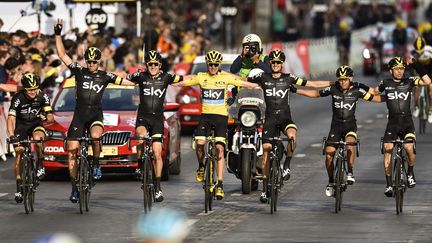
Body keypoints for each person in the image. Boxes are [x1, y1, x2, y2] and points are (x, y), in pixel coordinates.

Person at [54, 19, 128, 203]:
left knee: (95, 137)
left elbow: (127, 82)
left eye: (95, 61)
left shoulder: (105, 76)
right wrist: (57, 34)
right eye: (90, 61)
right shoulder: (79, 71)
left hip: (95, 114)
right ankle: (74, 187)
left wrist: (145, 79)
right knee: (72, 150)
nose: (92, 63)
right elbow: (62, 55)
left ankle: (96, 164)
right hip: (79, 115)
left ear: (99, 62)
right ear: (86, 61)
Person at [247, 50, 332, 202]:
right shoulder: (262, 77)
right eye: (273, 62)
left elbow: (311, 84)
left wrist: (333, 83)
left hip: (285, 118)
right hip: (270, 119)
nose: (275, 65)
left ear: (282, 64)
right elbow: (243, 82)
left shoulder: (288, 78)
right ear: (270, 64)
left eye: (278, 62)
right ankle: (265, 188)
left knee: (292, 136)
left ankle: (287, 164)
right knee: (266, 150)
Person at [173, 50, 259, 200]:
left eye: (215, 65)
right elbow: (183, 80)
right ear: (207, 64)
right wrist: (163, 79)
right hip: (205, 117)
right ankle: (201, 167)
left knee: (219, 149)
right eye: (210, 64)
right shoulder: (201, 77)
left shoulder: (225, 77)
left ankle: (219, 184)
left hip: (221, 118)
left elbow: (243, 83)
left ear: (219, 65)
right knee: (200, 143)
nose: (212, 67)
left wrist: (259, 85)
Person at [294, 65, 384, 197]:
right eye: (340, 79)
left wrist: (394, 98)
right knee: (329, 153)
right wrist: (296, 90)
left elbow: (375, 98)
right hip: (336, 126)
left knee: (350, 144)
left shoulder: (357, 90)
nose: (342, 82)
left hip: (350, 126)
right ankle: (331, 181)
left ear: (350, 79)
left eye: (345, 79)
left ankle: (350, 172)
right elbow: (315, 93)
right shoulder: (333, 88)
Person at [121, 50, 184, 202]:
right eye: (150, 64)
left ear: (160, 65)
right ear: (146, 65)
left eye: (156, 64)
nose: (153, 67)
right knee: (141, 138)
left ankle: (157, 186)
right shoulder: (140, 76)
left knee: (157, 153)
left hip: (157, 119)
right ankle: (140, 164)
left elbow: (185, 79)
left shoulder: (166, 77)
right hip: (143, 117)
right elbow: (124, 78)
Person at [370, 57, 431, 197]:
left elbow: (427, 81)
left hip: (407, 122)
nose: (400, 72)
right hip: (392, 123)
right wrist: (357, 88)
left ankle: (410, 173)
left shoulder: (410, 81)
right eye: (397, 69)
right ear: (391, 70)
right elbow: (374, 92)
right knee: (388, 148)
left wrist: (415, 64)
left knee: (409, 148)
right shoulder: (385, 83)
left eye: (402, 69)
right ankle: (389, 184)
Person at [7, 73, 54, 203]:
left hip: (36, 125)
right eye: (30, 90)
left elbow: (51, 117)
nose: (33, 92)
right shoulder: (18, 98)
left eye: (35, 88)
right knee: (18, 153)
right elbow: (11, 119)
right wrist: (11, 135)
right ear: (25, 89)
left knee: (39, 141)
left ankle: (40, 164)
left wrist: (46, 118)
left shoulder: (43, 96)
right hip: (21, 126)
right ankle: (18, 188)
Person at [411, 37, 432, 122]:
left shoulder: (430, 51)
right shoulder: (413, 54)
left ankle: (430, 110)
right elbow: (413, 68)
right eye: (418, 52)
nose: (419, 53)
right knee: (416, 86)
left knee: (431, 88)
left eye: (421, 52)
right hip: (419, 69)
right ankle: (416, 106)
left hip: (430, 69)